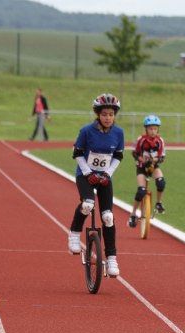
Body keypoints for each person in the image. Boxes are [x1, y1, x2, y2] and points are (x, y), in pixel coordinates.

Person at [67, 93, 125, 277]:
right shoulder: (86, 131)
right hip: (85, 175)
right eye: (104, 114)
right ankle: (74, 234)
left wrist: (108, 174)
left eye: (111, 114)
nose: (108, 118)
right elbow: (77, 154)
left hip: (105, 177)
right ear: (98, 115)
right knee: (87, 204)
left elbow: (118, 156)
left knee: (108, 217)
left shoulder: (118, 133)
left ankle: (112, 258)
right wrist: (88, 173)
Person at [128, 115, 167, 228]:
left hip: (153, 167)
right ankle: (133, 214)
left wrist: (154, 160)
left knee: (161, 182)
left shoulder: (160, 141)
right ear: (146, 129)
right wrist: (143, 161)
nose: (153, 131)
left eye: (155, 128)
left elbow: (162, 157)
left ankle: (158, 203)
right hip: (142, 168)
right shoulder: (141, 140)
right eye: (150, 129)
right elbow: (135, 153)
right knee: (141, 191)